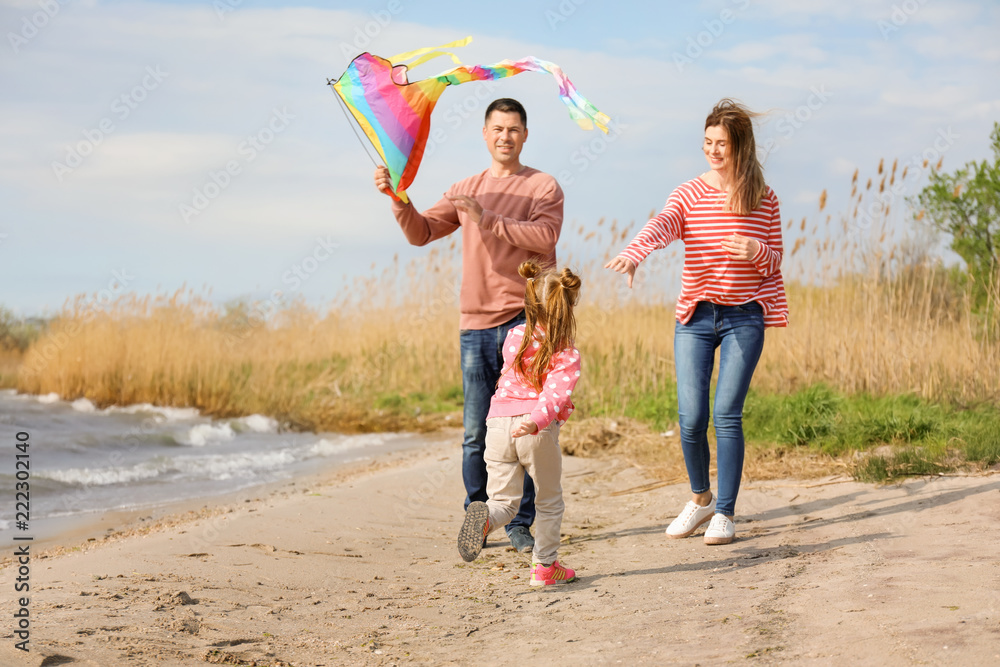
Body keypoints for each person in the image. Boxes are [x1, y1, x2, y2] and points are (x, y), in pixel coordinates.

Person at [374, 98, 565, 554]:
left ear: (524, 134)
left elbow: (545, 238)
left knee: (526, 429)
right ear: (485, 134)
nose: (505, 136)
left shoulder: (543, 186)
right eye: (498, 129)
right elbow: (420, 232)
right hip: (475, 325)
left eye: (514, 129)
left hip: (527, 322)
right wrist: (399, 199)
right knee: (476, 432)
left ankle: (521, 522)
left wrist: (488, 219)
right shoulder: (465, 188)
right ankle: (477, 516)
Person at [605, 98, 787, 545]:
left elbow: (776, 258)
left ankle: (725, 511)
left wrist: (756, 252)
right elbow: (664, 223)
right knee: (690, 418)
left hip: (744, 316)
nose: (713, 150)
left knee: (726, 414)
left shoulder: (764, 199)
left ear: (740, 146)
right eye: (707, 142)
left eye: (721, 144)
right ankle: (701, 498)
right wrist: (635, 253)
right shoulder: (688, 192)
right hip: (696, 316)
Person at [457, 260, 581, 586]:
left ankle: (484, 520)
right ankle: (544, 568)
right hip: (533, 428)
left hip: (497, 424)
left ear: (529, 302)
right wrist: (536, 422)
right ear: (568, 307)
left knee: (503, 503)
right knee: (549, 502)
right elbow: (553, 397)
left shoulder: (514, 336)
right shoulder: (565, 351)